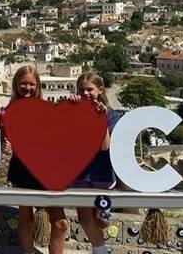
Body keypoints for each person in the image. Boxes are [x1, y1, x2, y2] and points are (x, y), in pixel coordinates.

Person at [1, 65, 69, 254]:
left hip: (48, 170)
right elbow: (6, 144)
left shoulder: (48, 109)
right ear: (16, 84)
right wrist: (6, 147)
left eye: (32, 84)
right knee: (25, 216)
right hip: (21, 169)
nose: (28, 88)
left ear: (38, 85)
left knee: (60, 222)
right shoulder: (7, 112)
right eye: (24, 84)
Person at [64, 72, 121, 254]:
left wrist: (101, 118)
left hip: (102, 174)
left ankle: (99, 246)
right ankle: (101, 250)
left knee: (99, 219)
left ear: (100, 90)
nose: (86, 93)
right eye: (82, 90)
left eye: (90, 89)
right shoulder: (75, 111)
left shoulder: (112, 116)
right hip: (81, 175)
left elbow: (105, 146)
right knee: (84, 217)